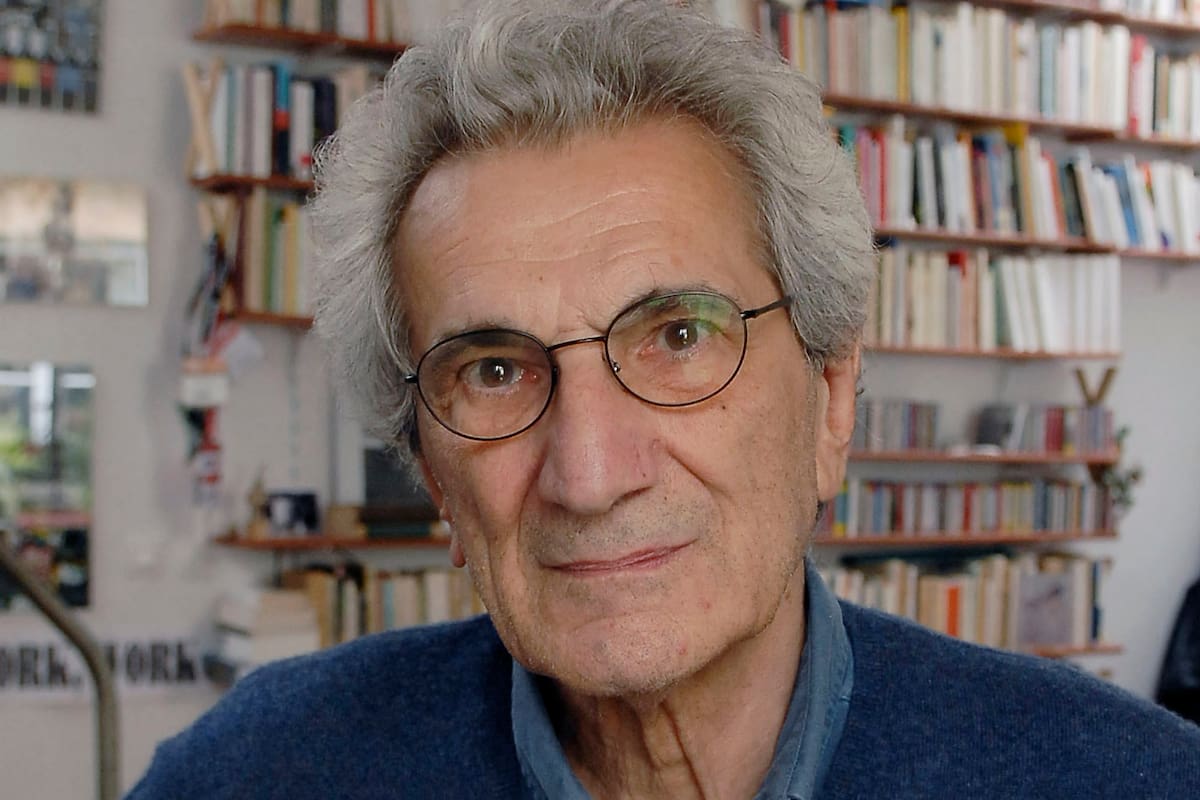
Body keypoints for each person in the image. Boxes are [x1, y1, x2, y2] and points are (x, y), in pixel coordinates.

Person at [129, 2, 1200, 798]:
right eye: (492, 369)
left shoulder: (1128, 780)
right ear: (435, 479)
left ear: (832, 400)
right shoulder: (252, 773)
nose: (590, 472)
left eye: (680, 336)